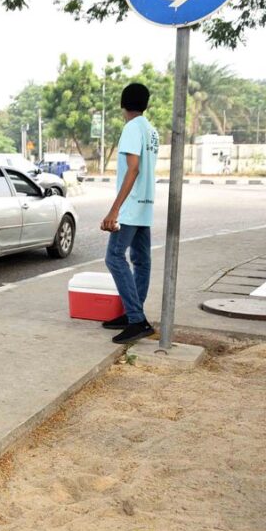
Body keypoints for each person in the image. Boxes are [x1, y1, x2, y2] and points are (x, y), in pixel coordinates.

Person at [100, 83, 159, 344]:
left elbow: (133, 169)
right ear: (145, 104)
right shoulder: (151, 130)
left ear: (123, 104)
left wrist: (114, 210)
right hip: (145, 204)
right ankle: (133, 314)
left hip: (131, 207)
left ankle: (137, 319)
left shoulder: (132, 128)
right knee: (141, 260)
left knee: (114, 257)